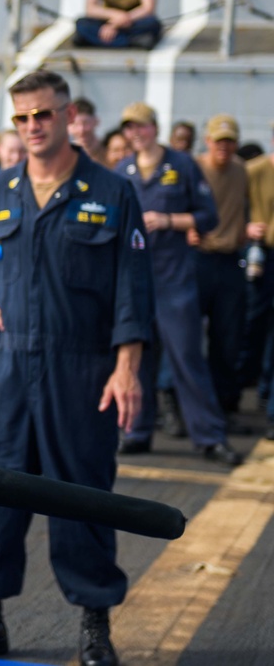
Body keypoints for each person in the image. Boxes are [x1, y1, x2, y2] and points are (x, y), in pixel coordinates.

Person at [0, 70, 154, 666]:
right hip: (9, 368)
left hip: (84, 370)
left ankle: (95, 621)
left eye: (43, 115)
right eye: (21, 118)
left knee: (83, 494)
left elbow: (132, 289)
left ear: (69, 116)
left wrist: (127, 369)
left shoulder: (112, 192)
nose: (32, 127)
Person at [115, 101, 242, 465]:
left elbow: (209, 217)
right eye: (129, 128)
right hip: (135, 278)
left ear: (154, 128)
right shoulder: (122, 169)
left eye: (140, 127)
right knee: (137, 359)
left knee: (187, 358)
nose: (135, 134)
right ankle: (137, 432)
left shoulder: (182, 164)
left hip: (175, 280)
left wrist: (169, 220)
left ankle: (209, 436)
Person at [189, 114, 249, 419]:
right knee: (187, 335)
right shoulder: (194, 167)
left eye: (229, 141)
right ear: (208, 141)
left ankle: (224, 405)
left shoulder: (242, 170)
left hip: (230, 260)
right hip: (198, 258)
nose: (223, 147)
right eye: (218, 140)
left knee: (227, 337)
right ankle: (179, 403)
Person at [245, 132, 274, 438]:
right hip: (260, 254)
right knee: (254, 323)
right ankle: (254, 384)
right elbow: (226, 204)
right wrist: (244, 225)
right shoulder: (253, 170)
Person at [74, 0, 162, 49]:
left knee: (152, 23)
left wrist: (120, 21)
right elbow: (91, 9)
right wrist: (114, 16)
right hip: (108, 20)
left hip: (133, 19)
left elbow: (148, 9)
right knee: (82, 24)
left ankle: (94, 40)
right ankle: (131, 41)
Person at [69, 97, 106, 165]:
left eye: (85, 123)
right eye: (75, 125)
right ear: (68, 127)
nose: (81, 130)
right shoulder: (65, 157)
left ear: (96, 122)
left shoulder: (108, 151)